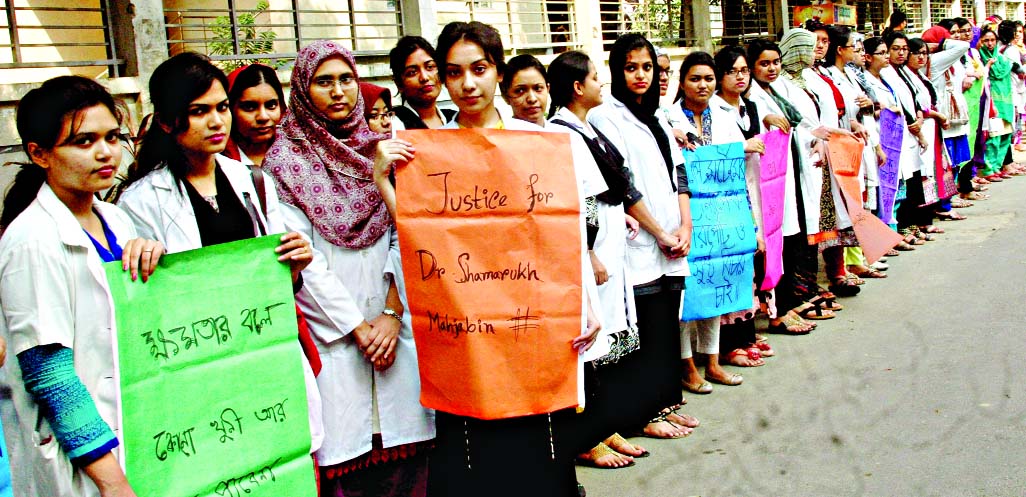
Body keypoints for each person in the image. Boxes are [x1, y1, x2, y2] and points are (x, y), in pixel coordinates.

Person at [374, 21, 603, 497]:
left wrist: (588, 304)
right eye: (454, 73)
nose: (468, 84)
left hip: (537, 324)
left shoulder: (536, 143)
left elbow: (566, 231)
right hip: (466, 329)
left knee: (542, 451)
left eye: (479, 69)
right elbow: (421, 240)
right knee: (477, 450)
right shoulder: (427, 153)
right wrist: (384, 183)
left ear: (498, 71)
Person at [116, 53, 325, 476]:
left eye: (222, 108)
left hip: (262, 361)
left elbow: (279, 282)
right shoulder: (140, 202)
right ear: (168, 121)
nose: (217, 122)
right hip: (197, 373)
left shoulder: (252, 182)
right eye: (199, 112)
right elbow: (142, 308)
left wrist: (296, 265)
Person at [262, 40, 436, 497]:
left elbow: (410, 232)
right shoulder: (282, 163)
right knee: (347, 464)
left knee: (409, 466)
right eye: (323, 81)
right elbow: (301, 256)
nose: (338, 91)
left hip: (396, 326)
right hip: (336, 335)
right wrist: (359, 328)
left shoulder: (387, 151)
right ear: (302, 89)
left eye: (345, 79)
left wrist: (391, 315)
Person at [0, 75, 164, 497]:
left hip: (137, 435)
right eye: (83, 141)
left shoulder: (116, 220)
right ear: (39, 154)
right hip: (84, 465)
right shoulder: (32, 241)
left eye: (112, 136)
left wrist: (154, 257)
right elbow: (50, 373)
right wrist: (113, 484)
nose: (105, 152)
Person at [547, 49, 667, 469]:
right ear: (578, 87)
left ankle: (604, 426)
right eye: (596, 78)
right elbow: (581, 202)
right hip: (593, 254)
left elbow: (608, 192)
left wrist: (622, 224)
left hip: (612, 248)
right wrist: (591, 251)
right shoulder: (562, 131)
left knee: (610, 343)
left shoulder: (584, 128)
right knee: (590, 348)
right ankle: (587, 436)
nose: (602, 84)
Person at [588, 33, 698, 434]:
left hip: (672, 235)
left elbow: (678, 173)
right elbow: (622, 182)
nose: (640, 75)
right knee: (644, 330)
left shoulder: (658, 115)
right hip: (640, 242)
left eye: (647, 67)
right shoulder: (606, 116)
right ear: (617, 71)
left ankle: (666, 403)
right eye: (630, 67)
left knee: (668, 325)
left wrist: (684, 225)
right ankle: (643, 414)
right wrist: (660, 233)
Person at [669, 49, 763, 376]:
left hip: (722, 216)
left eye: (709, 78)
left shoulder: (724, 116)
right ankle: (687, 364)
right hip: (686, 214)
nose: (703, 85)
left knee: (715, 284)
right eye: (695, 79)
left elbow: (739, 171)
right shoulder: (669, 118)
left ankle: (712, 361)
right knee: (689, 291)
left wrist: (751, 223)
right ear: (682, 83)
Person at [745, 39, 822, 333]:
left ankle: (787, 305)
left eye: (776, 62)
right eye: (764, 63)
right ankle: (778, 312)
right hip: (766, 181)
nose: (772, 68)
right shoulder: (752, 96)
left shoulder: (776, 91)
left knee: (789, 240)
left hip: (787, 176)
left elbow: (797, 126)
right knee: (776, 246)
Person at [223, 64, 285, 166]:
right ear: (230, 109)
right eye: (249, 107)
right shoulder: (215, 160)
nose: (263, 117)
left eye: (271, 105)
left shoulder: (299, 153)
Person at [388, 35, 455, 130]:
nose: (424, 77)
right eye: (412, 72)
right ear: (399, 83)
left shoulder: (454, 119)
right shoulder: (392, 124)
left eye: (430, 67)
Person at [501, 54, 550, 127]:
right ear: (505, 97)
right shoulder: (499, 136)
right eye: (520, 91)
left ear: (548, 89)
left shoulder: (566, 135)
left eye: (538, 88)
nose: (532, 99)